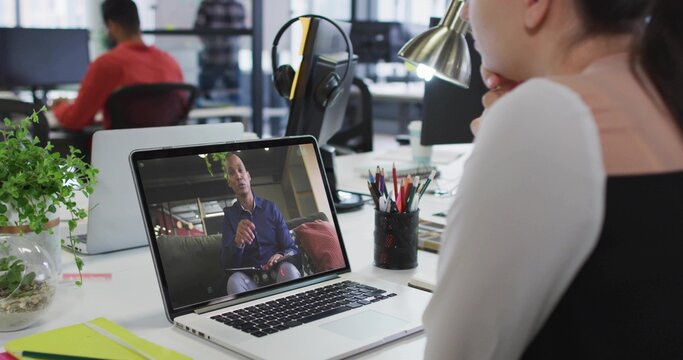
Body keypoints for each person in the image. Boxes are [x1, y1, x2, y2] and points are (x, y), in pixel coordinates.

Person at [423, 0, 683, 359]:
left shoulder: (546, 116)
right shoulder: (664, 92)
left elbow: (455, 352)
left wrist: (501, 137)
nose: (465, 13)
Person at [52, 0, 183, 130]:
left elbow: (75, 120)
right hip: (164, 148)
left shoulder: (107, 64)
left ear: (111, 26)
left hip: (117, 149)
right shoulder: (170, 62)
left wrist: (60, 106)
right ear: (137, 22)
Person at [220, 153, 301, 295]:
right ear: (229, 183)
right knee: (234, 281)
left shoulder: (271, 208)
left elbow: (291, 248)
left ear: (248, 176)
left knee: (288, 269)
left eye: (241, 170)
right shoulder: (229, 217)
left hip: (279, 274)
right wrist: (237, 243)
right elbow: (227, 265)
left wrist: (281, 254)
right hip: (251, 283)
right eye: (232, 173)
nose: (238, 176)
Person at [194, 0, 246, 105]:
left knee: (204, 100)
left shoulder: (208, 4)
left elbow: (198, 29)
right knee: (234, 101)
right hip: (232, 58)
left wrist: (210, 41)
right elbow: (242, 30)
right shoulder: (237, 5)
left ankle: (204, 120)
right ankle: (235, 120)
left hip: (211, 57)